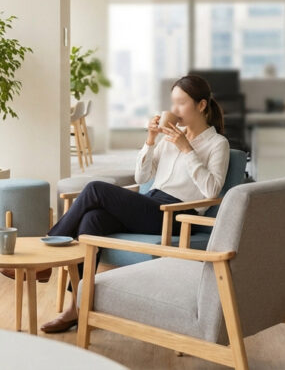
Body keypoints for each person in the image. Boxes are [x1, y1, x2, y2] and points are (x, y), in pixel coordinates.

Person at [40, 74, 230, 333]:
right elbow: (142, 178)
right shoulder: (169, 138)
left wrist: (187, 149)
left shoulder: (217, 144)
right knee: (92, 220)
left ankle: (46, 258)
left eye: (181, 103)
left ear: (201, 105)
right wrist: (151, 140)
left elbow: (212, 190)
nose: (175, 110)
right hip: (151, 204)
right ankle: (77, 306)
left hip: (176, 214)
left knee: (95, 188)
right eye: (173, 103)